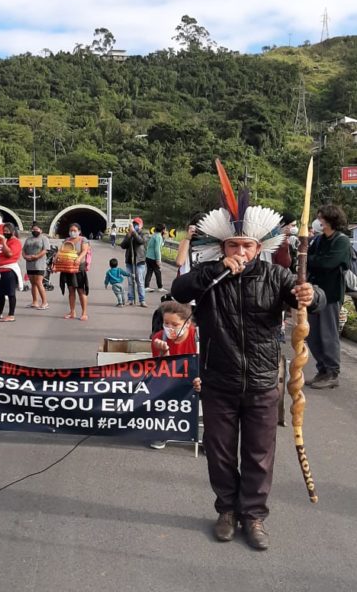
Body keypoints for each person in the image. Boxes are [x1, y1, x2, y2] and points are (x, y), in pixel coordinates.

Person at [171, 163, 325, 550]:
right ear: (222, 247)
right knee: (220, 455)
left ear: (259, 248)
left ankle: (253, 516)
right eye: (233, 245)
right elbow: (181, 289)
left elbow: (307, 296)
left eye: (247, 246)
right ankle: (226, 510)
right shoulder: (209, 274)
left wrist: (313, 296)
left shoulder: (276, 277)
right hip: (218, 380)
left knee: (259, 456)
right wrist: (213, 273)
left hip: (260, 383)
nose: (240, 251)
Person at [306, 204, 352, 389]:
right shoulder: (318, 240)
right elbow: (306, 258)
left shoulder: (341, 241)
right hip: (314, 293)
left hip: (331, 294)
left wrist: (312, 260)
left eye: (321, 219)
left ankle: (332, 372)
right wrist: (311, 260)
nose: (319, 222)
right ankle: (322, 369)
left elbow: (328, 263)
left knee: (328, 334)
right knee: (312, 335)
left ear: (331, 220)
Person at [149, 300, 201, 450]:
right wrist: (164, 353)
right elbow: (160, 372)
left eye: (175, 324)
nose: (169, 328)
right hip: (172, 381)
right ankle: (162, 431)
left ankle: (211, 436)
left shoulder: (197, 337)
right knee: (156, 388)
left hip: (197, 381)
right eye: (166, 323)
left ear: (187, 323)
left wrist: (202, 379)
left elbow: (210, 365)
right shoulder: (158, 338)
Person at [0, 222, 23, 322]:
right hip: (0, 271)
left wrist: (3, 242)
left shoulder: (15, 241)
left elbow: (9, 253)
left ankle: (11, 314)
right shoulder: (5, 240)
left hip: (9, 271)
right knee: (0, 293)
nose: (5, 233)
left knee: (10, 293)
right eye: (4, 231)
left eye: (7, 231)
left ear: (13, 231)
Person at [60, 223, 89, 320]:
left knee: (81, 290)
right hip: (68, 268)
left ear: (79, 231)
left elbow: (85, 251)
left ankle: (84, 313)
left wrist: (79, 259)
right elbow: (61, 252)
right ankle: (72, 312)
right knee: (71, 290)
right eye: (71, 230)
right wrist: (56, 260)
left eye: (75, 230)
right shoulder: (66, 240)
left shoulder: (83, 240)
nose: (72, 232)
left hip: (79, 268)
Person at [22, 221, 50, 310]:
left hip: (39, 264)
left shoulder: (44, 238)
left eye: (36, 229)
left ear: (40, 230)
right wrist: (25, 256)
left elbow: (45, 250)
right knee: (33, 283)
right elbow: (24, 249)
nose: (34, 231)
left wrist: (36, 256)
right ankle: (35, 302)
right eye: (33, 229)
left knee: (38, 282)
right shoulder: (28, 239)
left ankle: (45, 302)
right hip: (30, 264)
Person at [120, 217, 147, 307]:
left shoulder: (144, 234)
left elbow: (141, 241)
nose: (135, 225)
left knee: (140, 281)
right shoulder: (129, 234)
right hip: (129, 261)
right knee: (130, 281)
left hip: (139, 261)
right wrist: (129, 235)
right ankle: (130, 299)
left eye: (137, 224)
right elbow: (123, 245)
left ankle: (142, 300)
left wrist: (134, 233)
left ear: (141, 225)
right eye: (134, 224)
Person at [145, 223, 167, 292]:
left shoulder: (155, 235)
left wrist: (163, 237)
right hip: (153, 258)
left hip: (148, 256)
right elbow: (157, 249)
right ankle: (160, 287)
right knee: (158, 272)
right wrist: (158, 260)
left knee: (149, 271)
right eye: (165, 229)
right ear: (163, 230)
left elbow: (161, 245)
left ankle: (146, 286)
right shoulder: (158, 237)